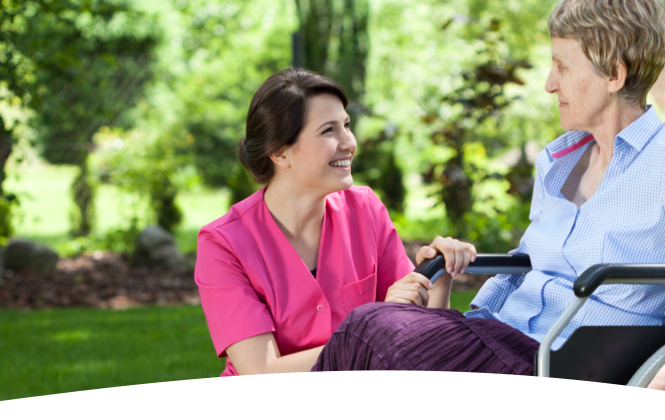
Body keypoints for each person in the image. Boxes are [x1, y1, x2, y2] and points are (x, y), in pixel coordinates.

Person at [312, 0, 665, 394]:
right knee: (376, 329)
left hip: (562, 358)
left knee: (369, 327)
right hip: (497, 335)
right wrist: (446, 305)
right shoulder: (561, 161)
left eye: (563, 67)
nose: (550, 83)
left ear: (614, 74)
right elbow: (523, 268)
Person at [194, 68, 477, 377]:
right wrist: (371, 328)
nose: (349, 142)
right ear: (279, 152)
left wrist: (438, 273)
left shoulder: (366, 209)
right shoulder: (223, 244)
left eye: (346, 125)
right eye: (328, 130)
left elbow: (418, 342)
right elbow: (260, 370)